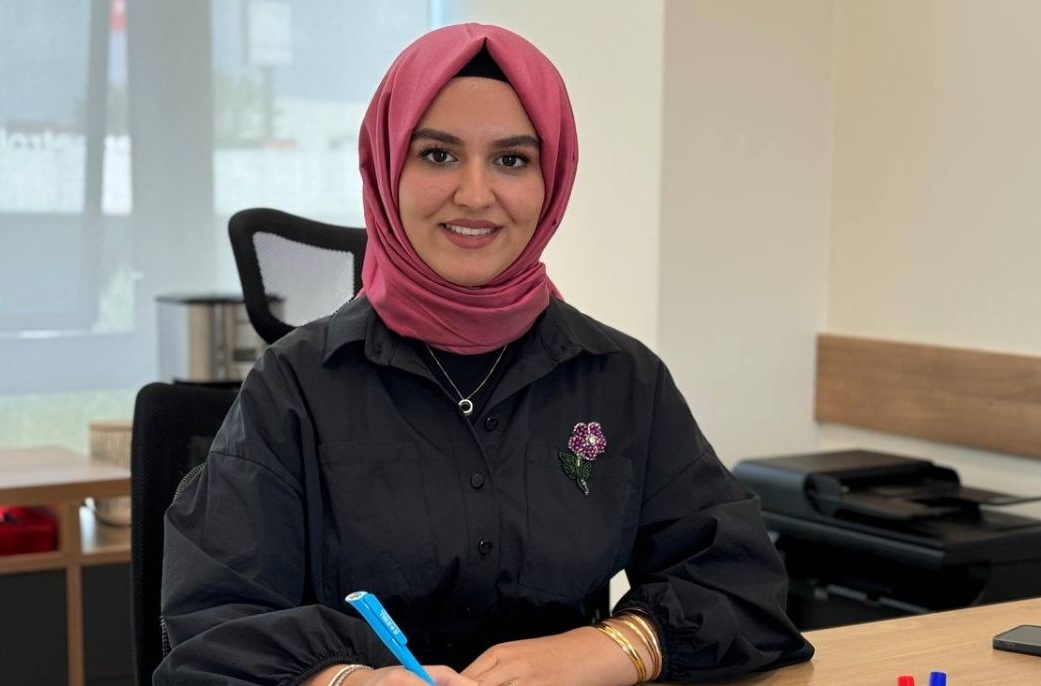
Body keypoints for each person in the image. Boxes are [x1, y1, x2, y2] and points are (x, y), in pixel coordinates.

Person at [155, 23, 813, 686]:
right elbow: (214, 628)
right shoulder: (294, 385)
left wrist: (611, 648)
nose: (475, 194)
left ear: (552, 179)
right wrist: (349, 681)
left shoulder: (620, 379)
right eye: (438, 155)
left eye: (512, 160)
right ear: (387, 169)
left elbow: (740, 586)